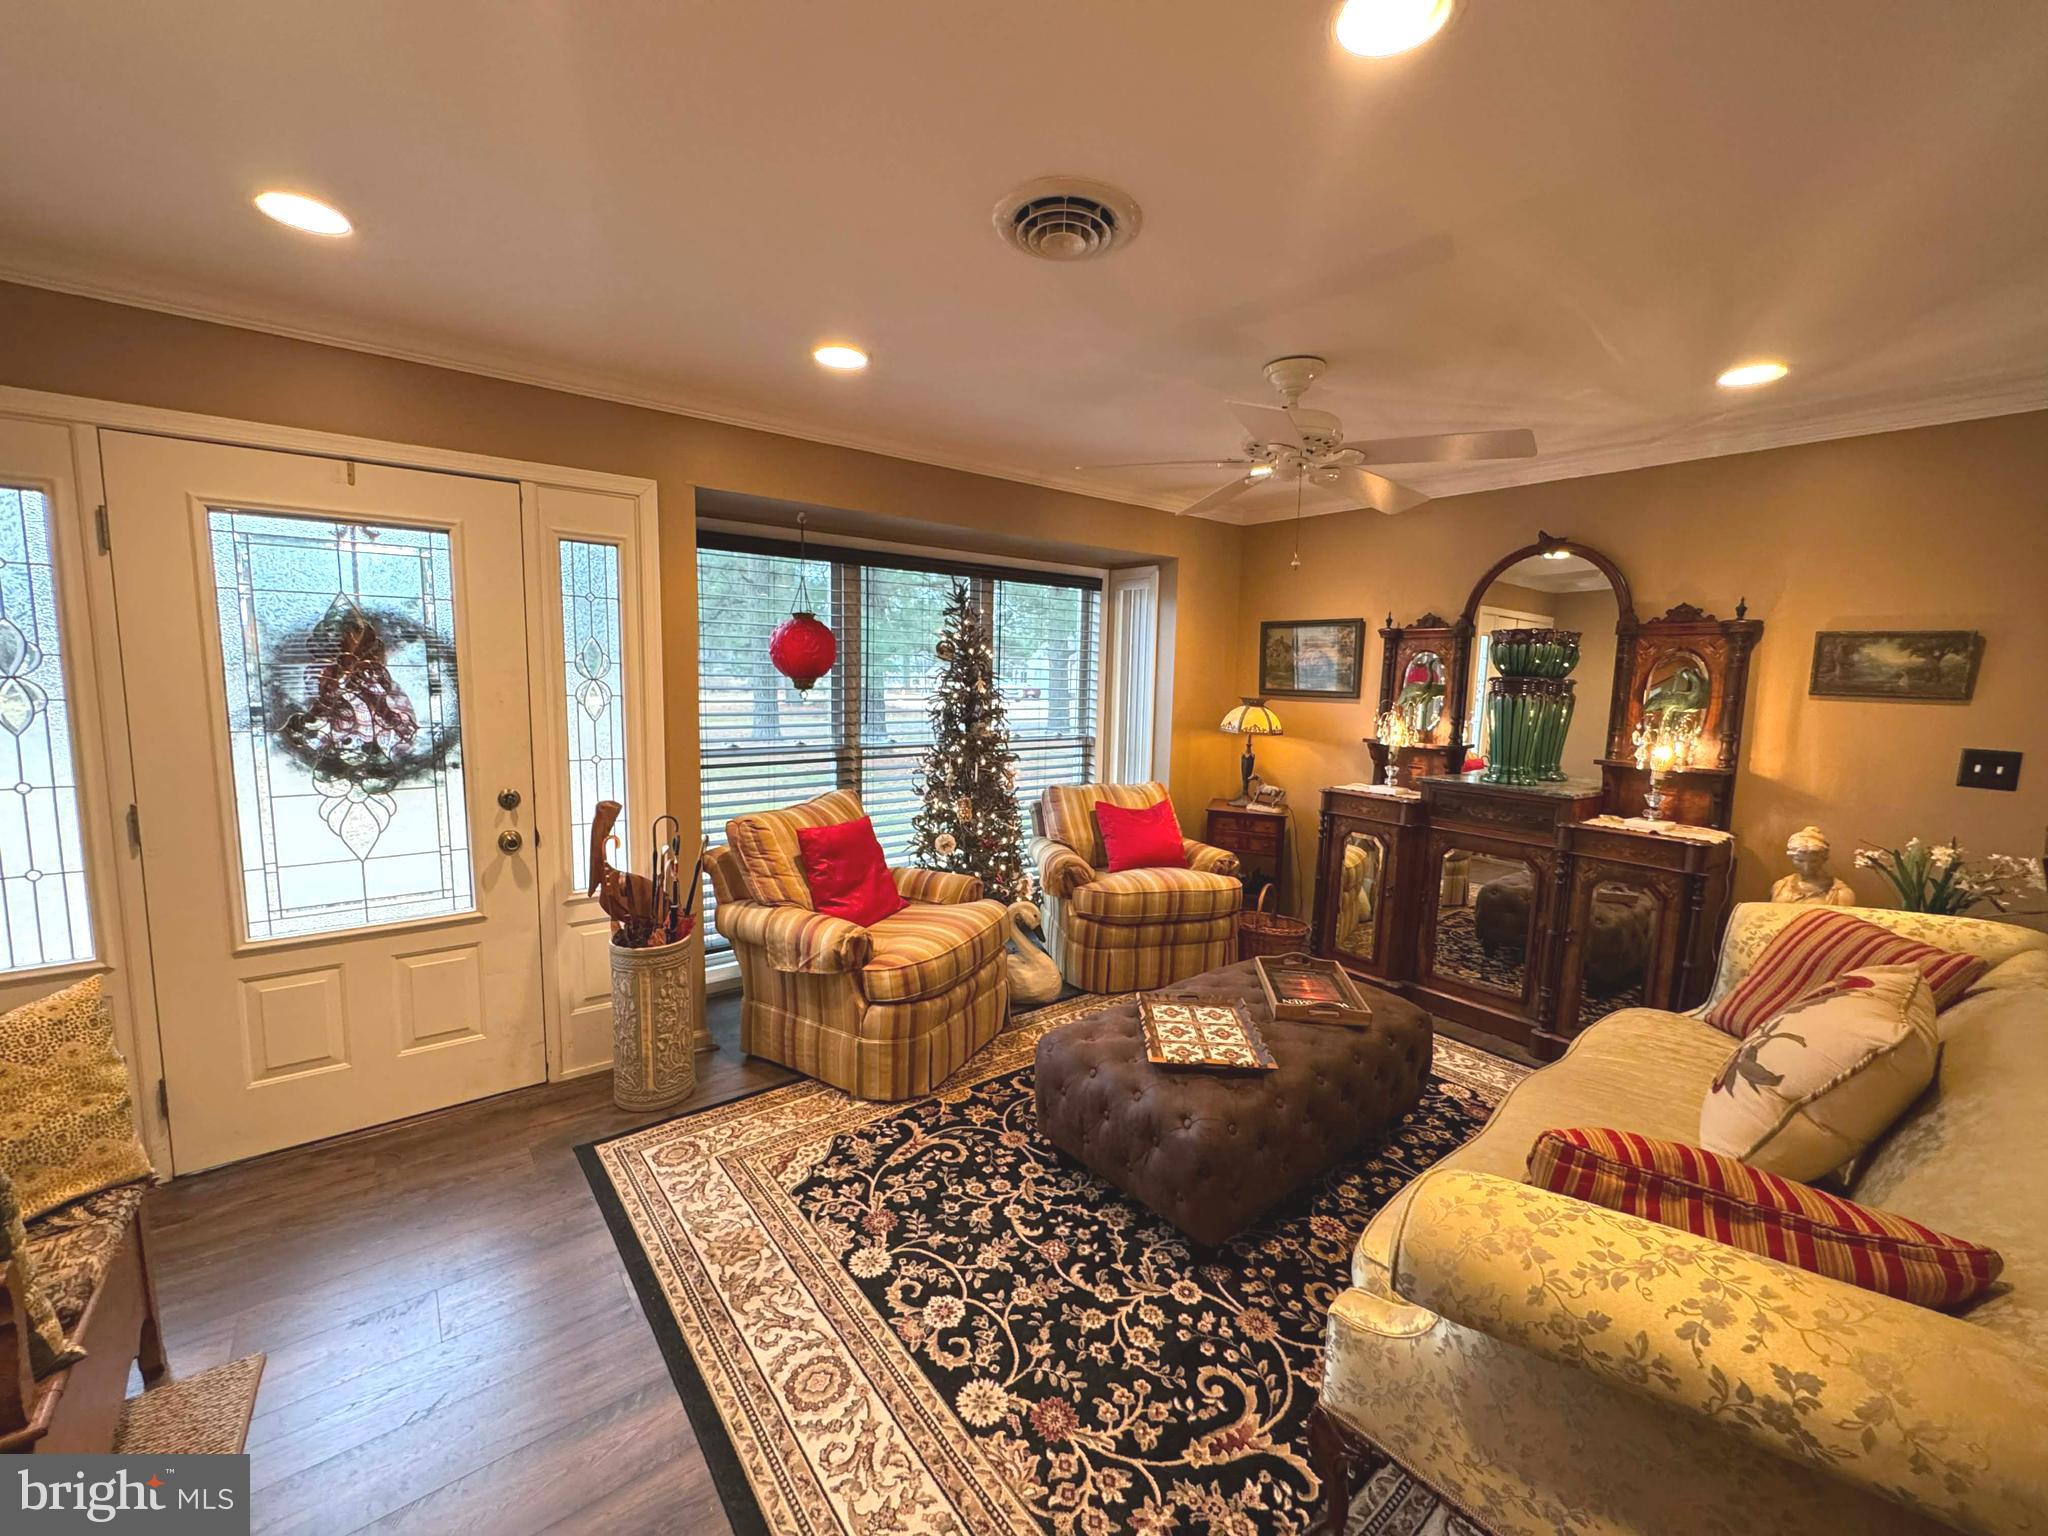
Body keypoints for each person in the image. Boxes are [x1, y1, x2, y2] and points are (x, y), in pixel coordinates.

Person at [1770, 825, 1855, 906]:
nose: (1806, 867)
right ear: (1791, 858)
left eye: (1814, 861)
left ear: (1824, 859)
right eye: (1800, 861)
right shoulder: (1780, 887)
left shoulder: (1840, 894)